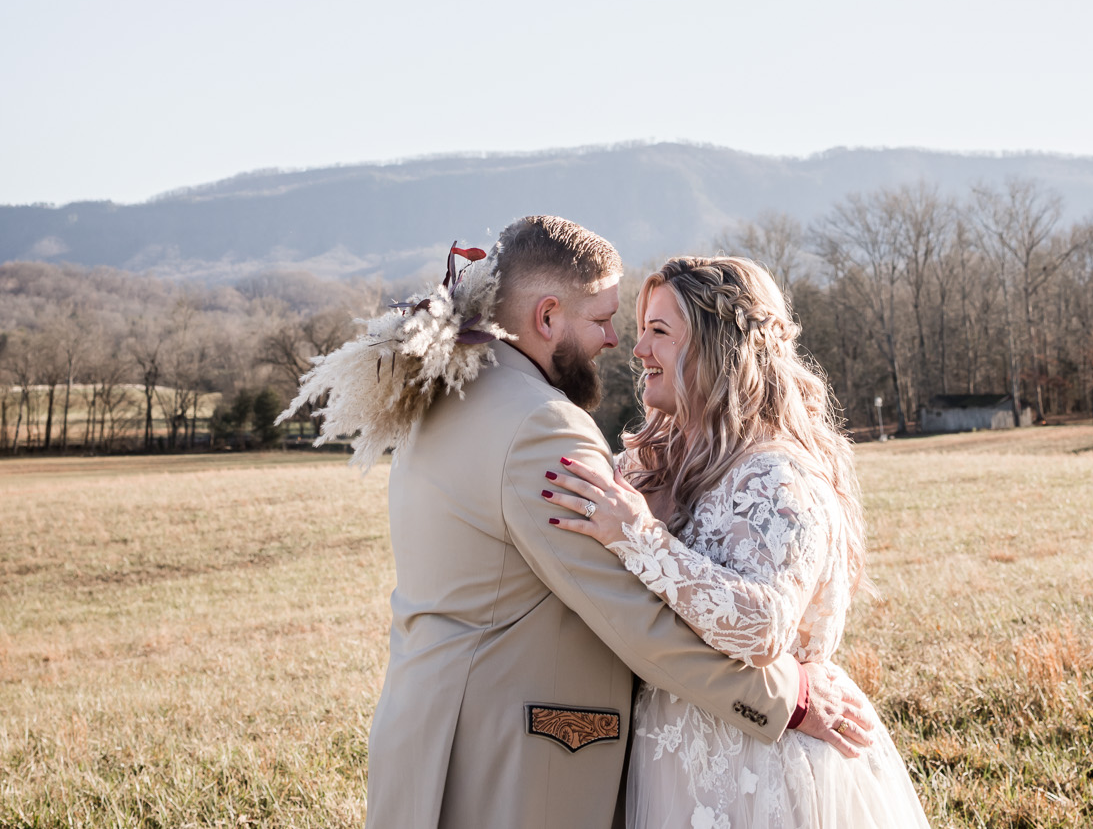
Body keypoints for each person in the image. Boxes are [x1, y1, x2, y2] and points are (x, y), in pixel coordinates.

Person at [350, 215, 875, 829]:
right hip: (506, 754)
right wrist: (785, 700)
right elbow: (627, 614)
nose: (616, 343)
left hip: (427, 728)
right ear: (547, 318)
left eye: (652, 330)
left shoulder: (446, 395)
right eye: (604, 321)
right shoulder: (540, 427)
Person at [545, 252, 929, 829]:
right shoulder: (652, 462)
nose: (639, 349)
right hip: (672, 754)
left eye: (660, 333)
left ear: (718, 349)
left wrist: (638, 536)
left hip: (762, 764)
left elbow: (762, 626)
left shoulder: (777, 476)